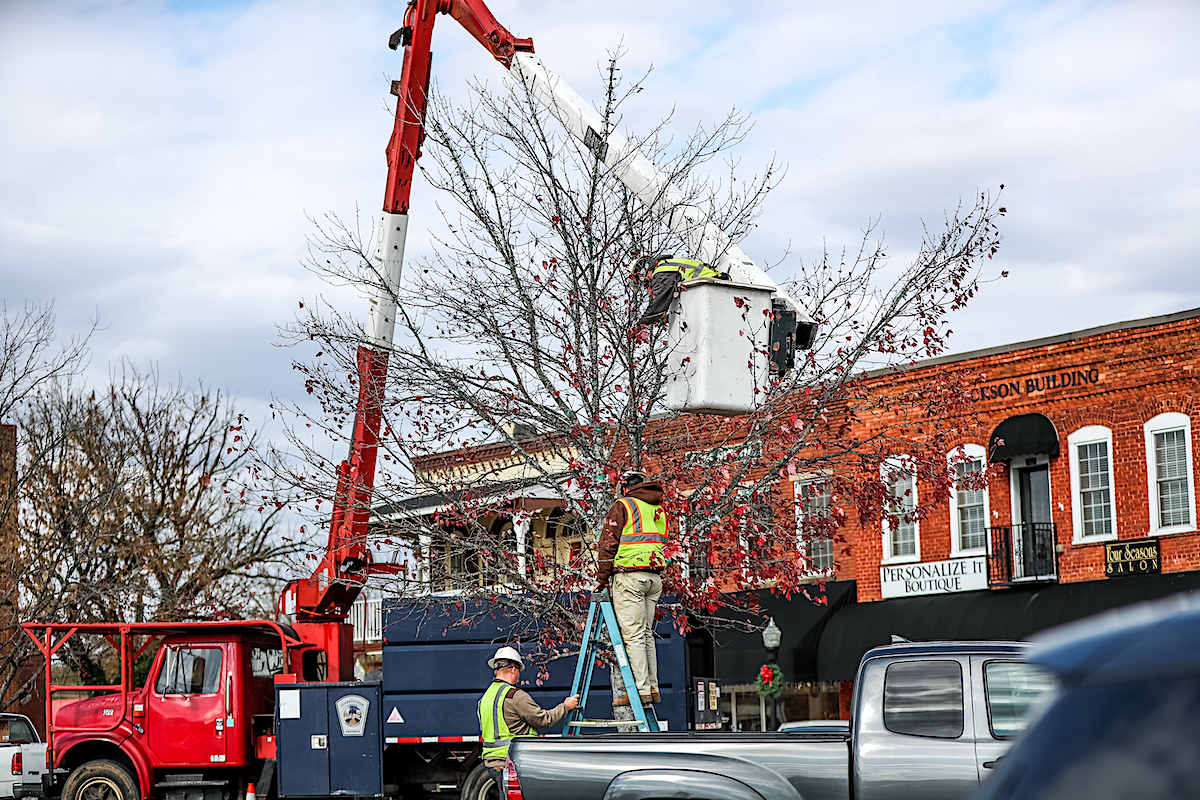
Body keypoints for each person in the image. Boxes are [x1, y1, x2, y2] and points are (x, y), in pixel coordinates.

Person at [594, 471, 668, 707]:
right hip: (653, 578)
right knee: (646, 634)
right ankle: (652, 686)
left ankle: (641, 690)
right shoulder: (657, 509)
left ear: (625, 488)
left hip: (630, 576)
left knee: (634, 636)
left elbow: (608, 544)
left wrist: (602, 578)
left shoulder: (623, 505)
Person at [478, 646, 579, 780]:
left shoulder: (485, 698)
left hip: (492, 763)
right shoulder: (514, 696)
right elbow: (544, 720)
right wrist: (566, 707)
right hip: (512, 761)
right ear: (513, 670)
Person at [637, 256, 729, 325]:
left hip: (711, 287)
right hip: (713, 288)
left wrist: (640, 325)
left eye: (645, 280)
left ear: (646, 271)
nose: (649, 284)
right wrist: (668, 318)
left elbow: (657, 304)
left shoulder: (661, 272)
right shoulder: (668, 265)